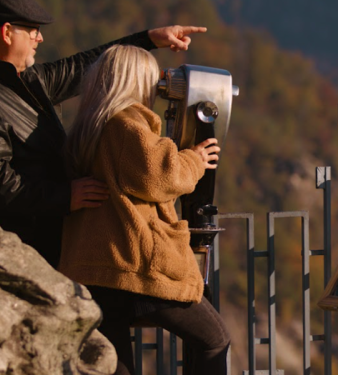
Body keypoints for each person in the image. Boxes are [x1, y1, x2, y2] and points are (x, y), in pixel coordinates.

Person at [0, 0, 208, 267]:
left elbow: (84, 66)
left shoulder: (27, 78)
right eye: (33, 30)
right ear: (7, 32)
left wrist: (149, 39)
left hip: (60, 237)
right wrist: (65, 196)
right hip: (33, 249)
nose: (40, 37)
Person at [59, 45, 228, 375]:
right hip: (134, 264)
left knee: (116, 363)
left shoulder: (89, 127)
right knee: (214, 339)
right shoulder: (127, 127)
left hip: (95, 266)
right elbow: (158, 175)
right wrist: (195, 158)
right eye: (153, 81)